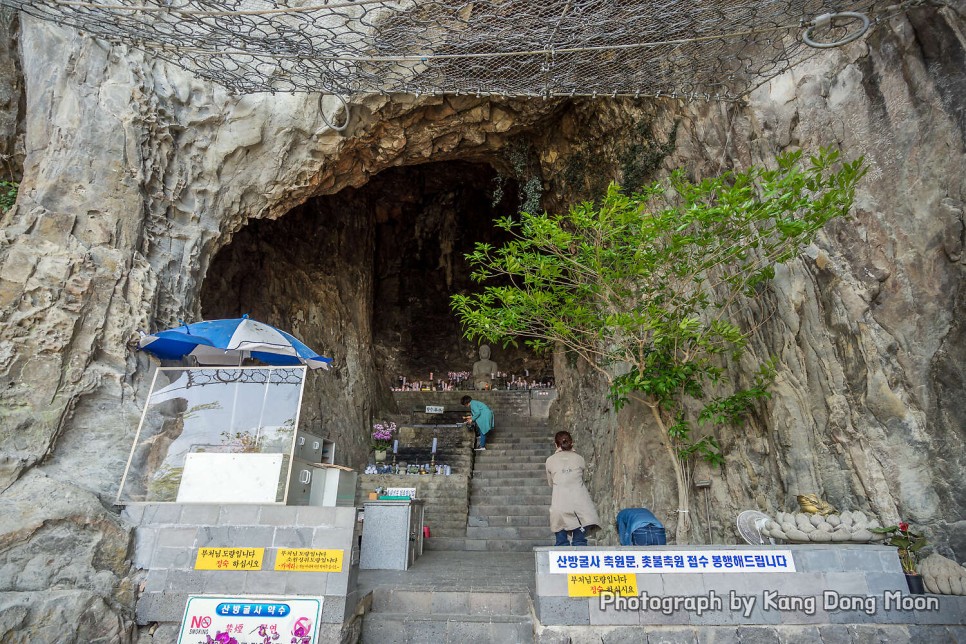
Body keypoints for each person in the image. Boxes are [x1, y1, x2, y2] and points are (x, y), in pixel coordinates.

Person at [545, 430, 600, 546]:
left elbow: (551, 483)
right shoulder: (579, 459)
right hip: (580, 508)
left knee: (561, 544)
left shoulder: (549, 461)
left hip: (559, 506)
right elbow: (581, 479)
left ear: (556, 444)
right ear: (572, 443)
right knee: (580, 543)